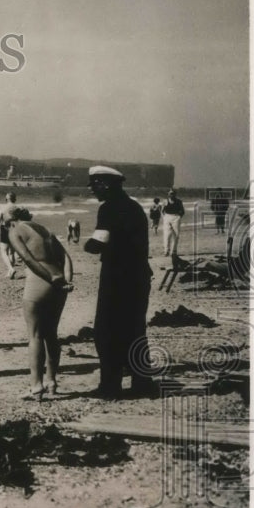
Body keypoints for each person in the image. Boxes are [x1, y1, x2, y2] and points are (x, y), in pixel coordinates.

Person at [84, 166, 155, 398]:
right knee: (135, 329)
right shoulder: (134, 207)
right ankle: (142, 382)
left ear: (105, 184)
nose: (93, 191)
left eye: (94, 185)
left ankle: (110, 386)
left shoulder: (108, 209)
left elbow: (98, 244)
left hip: (117, 277)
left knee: (107, 331)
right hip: (139, 276)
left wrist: (86, 245)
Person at [6, 214, 74, 399]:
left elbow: (28, 259)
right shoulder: (45, 231)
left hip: (40, 281)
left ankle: (36, 386)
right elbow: (66, 257)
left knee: (35, 335)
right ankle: (51, 381)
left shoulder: (14, 230)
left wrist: (48, 278)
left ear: (10, 222)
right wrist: (66, 280)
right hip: (59, 282)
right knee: (51, 334)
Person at [0, 192, 23, 279]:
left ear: (6, 199)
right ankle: (10, 273)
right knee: (12, 252)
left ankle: (11, 268)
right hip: (15, 229)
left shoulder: (3, 208)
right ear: (14, 199)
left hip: (5, 229)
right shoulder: (18, 208)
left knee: (3, 251)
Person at [161, 189, 184, 256]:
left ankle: (174, 251)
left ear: (175, 194)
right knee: (167, 235)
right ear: (168, 194)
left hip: (176, 217)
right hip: (167, 217)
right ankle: (166, 251)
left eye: (173, 193)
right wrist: (164, 217)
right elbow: (162, 211)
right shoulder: (165, 201)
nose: (172, 195)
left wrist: (179, 217)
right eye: (170, 193)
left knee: (176, 235)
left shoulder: (179, 201)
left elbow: (182, 211)